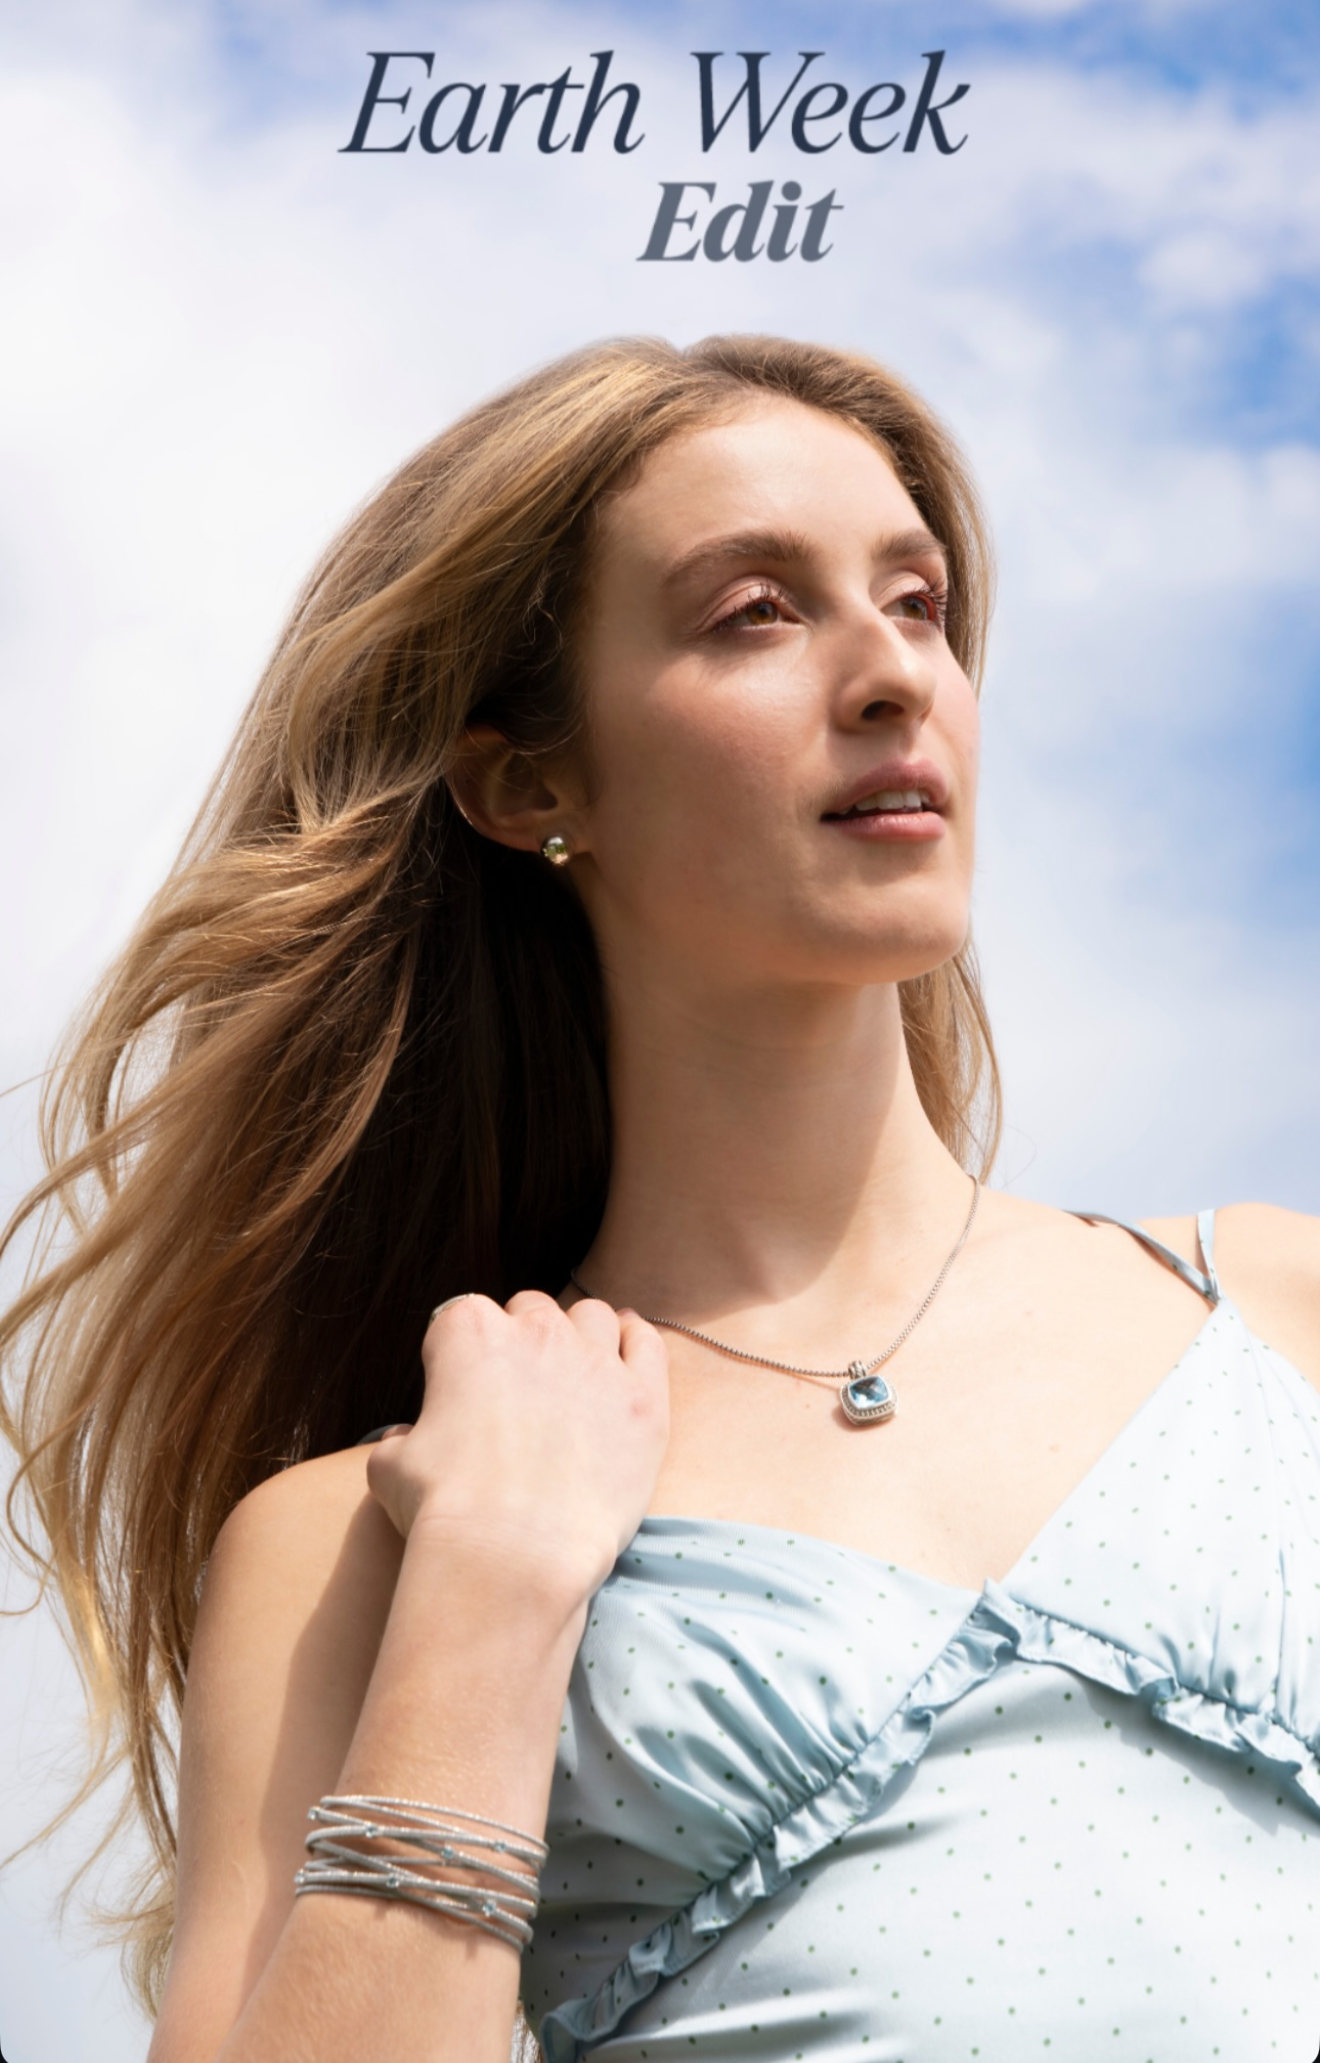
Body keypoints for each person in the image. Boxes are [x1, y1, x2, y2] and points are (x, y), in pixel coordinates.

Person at [3, 335, 1318, 2063]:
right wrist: (483, 1604)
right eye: (757, 612)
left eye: (917, 602)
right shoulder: (363, 1542)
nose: (888, 673)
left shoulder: (1271, 1306)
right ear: (530, 785)